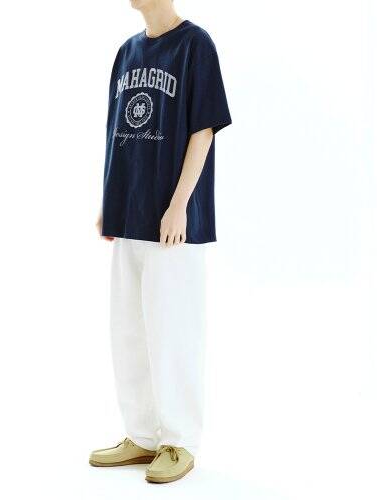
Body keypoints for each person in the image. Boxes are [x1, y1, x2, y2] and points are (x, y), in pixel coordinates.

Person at [90, 0, 231, 484]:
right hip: (129, 213)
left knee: (174, 330)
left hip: (172, 222)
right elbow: (116, 132)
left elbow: (203, 130)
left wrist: (179, 204)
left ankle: (179, 440)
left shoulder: (195, 45)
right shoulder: (127, 52)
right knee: (129, 329)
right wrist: (110, 199)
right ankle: (142, 435)